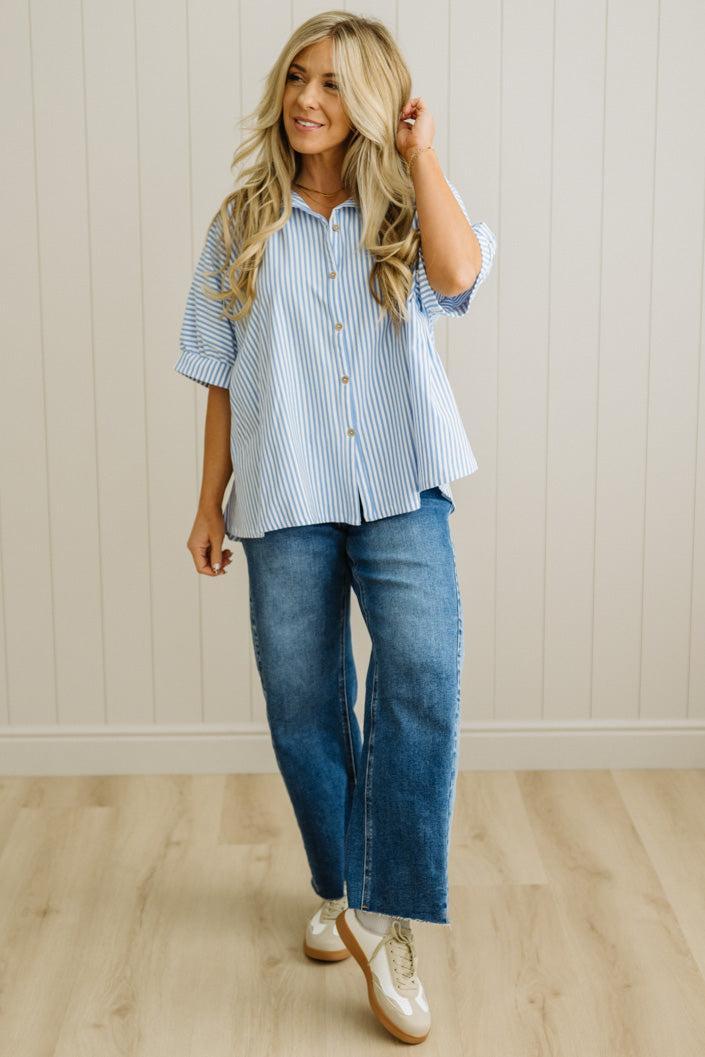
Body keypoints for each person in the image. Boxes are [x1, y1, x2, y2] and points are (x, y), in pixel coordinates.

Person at [174, 11, 496, 1046]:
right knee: (305, 702)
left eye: (330, 83)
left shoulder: (404, 208)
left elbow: (456, 278)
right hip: (283, 496)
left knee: (422, 672)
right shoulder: (240, 222)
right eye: (296, 79)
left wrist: (422, 151)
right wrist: (206, 499)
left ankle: (385, 916)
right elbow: (220, 376)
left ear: (368, 99)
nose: (306, 99)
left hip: (403, 486)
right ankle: (342, 888)